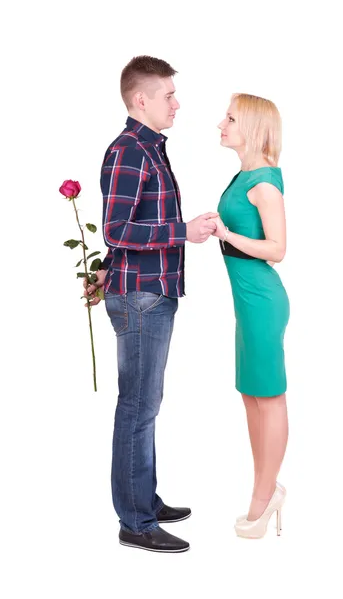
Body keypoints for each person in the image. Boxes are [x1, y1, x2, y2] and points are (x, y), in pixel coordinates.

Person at [83, 56, 217, 553]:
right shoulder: (128, 152)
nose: (176, 104)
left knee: (146, 405)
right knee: (137, 407)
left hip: (149, 291)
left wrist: (104, 268)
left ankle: (145, 499)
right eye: (168, 96)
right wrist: (183, 232)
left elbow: (121, 231)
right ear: (142, 100)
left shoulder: (150, 149)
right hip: (140, 297)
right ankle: (135, 522)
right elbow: (117, 229)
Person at [210, 93, 290, 539]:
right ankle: (266, 486)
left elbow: (278, 250)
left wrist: (225, 233)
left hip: (262, 301)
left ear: (254, 127)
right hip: (246, 302)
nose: (221, 124)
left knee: (269, 396)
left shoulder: (264, 182)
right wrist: (217, 231)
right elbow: (238, 234)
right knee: (250, 394)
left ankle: (264, 497)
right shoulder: (243, 176)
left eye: (230, 118)